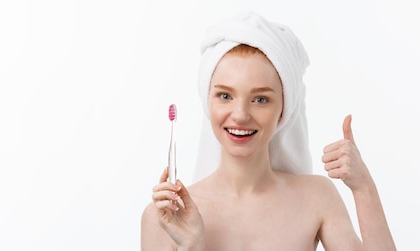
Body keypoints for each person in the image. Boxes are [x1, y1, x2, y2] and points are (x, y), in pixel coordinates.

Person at [141, 12, 396, 250]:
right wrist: (192, 245)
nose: (240, 115)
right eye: (225, 95)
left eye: (260, 99)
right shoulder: (165, 217)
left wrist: (364, 189)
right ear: (207, 101)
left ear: (284, 109)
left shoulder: (317, 198)